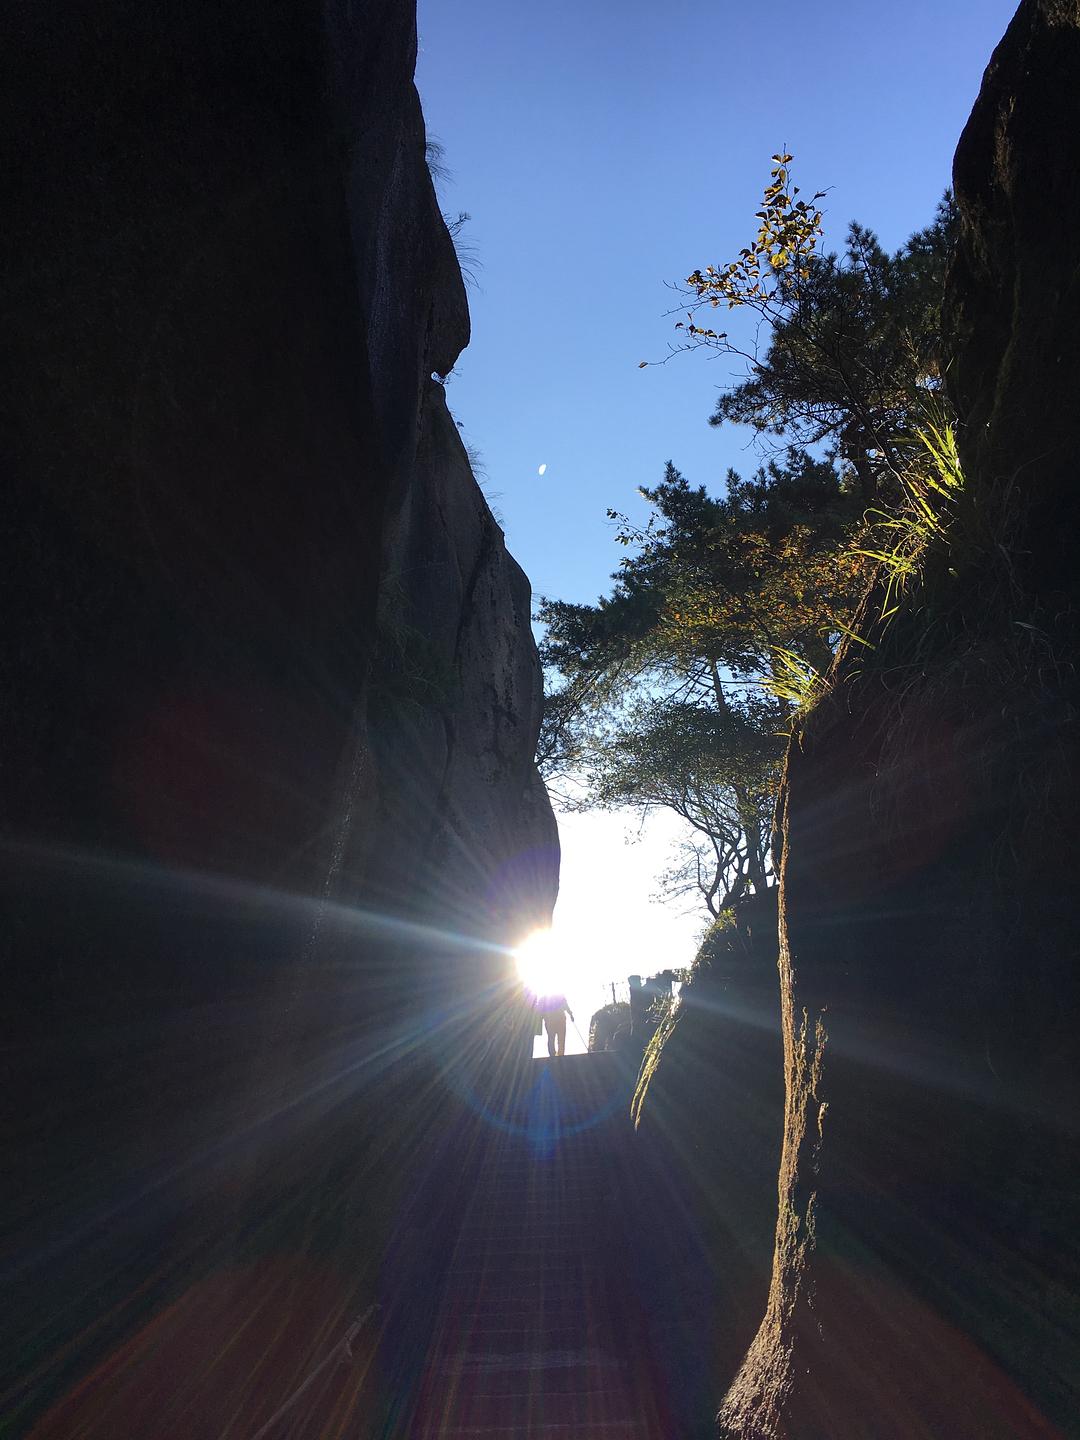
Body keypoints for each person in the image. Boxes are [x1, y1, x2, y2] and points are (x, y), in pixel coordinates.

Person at [535, 991, 573, 1058]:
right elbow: (565, 1005)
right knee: (560, 1039)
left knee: (551, 1038)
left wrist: (540, 1019)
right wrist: (570, 1014)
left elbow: (539, 1010)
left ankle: (553, 1055)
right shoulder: (560, 995)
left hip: (550, 1021)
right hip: (560, 1020)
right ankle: (560, 1055)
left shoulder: (543, 998)